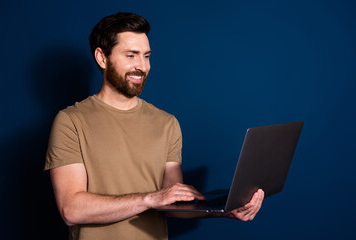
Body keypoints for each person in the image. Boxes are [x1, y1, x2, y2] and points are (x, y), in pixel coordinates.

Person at [45, 12, 264, 240]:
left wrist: (225, 211)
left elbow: (172, 204)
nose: (142, 66)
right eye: (131, 55)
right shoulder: (71, 121)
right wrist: (150, 198)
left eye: (146, 56)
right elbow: (71, 209)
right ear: (101, 58)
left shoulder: (167, 123)